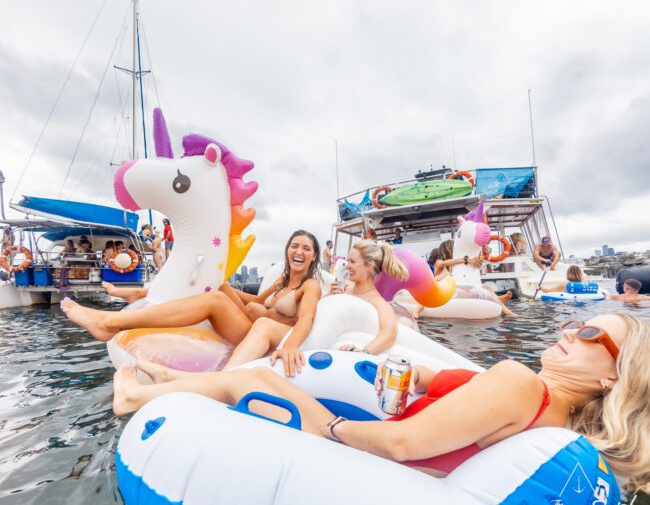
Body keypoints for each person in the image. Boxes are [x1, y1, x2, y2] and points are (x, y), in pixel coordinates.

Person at [113, 314, 650, 495]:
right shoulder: (548, 412)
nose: (568, 332)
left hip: (370, 454)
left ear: (612, 377)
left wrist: (333, 428)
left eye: (587, 333)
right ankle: (163, 376)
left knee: (250, 377)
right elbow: (439, 382)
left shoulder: (518, 382)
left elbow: (400, 443)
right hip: (417, 462)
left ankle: (134, 395)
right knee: (255, 378)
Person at [63, 231, 322, 375]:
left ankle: (110, 322)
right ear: (287, 251)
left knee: (217, 301)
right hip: (249, 325)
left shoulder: (310, 286)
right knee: (217, 287)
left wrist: (292, 346)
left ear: (314, 257)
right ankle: (141, 295)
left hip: (260, 337)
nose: (299, 252)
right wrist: (222, 282)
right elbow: (255, 301)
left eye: (306, 249)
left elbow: (307, 318)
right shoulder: (280, 282)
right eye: (294, 246)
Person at [225, 239, 404, 373]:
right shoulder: (345, 289)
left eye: (352, 262)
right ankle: (229, 372)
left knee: (263, 324)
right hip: (306, 332)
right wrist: (328, 297)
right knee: (259, 317)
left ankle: (227, 375)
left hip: (318, 345)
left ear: (369, 265)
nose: (347, 266)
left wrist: (364, 351)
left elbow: (390, 333)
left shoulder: (376, 301)